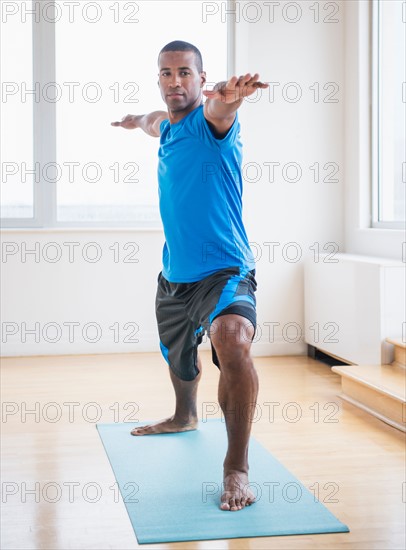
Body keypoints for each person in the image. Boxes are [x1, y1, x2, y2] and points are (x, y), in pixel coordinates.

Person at [111, 40, 268, 512]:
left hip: (224, 269)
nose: (175, 81)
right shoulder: (165, 126)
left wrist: (231, 95)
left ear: (202, 79)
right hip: (175, 274)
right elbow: (148, 121)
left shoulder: (211, 122)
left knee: (233, 338)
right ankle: (184, 416)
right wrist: (130, 121)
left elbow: (223, 107)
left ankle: (236, 468)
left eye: (185, 73)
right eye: (166, 73)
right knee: (179, 360)